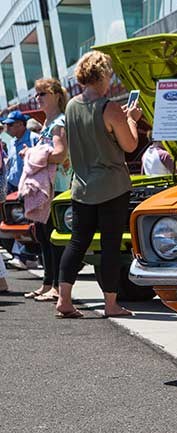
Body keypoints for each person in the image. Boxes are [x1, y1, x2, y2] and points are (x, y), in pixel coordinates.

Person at [55, 50, 142, 319]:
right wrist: (132, 119)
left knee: (77, 242)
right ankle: (111, 304)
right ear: (103, 75)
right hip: (111, 186)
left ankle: (64, 300)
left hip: (81, 185)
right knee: (110, 244)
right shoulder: (110, 107)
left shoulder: (71, 106)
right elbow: (130, 145)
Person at [24, 78, 70, 301]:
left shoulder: (59, 121)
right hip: (48, 188)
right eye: (37, 94)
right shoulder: (48, 122)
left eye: (42, 94)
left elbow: (61, 154)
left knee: (53, 238)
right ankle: (48, 283)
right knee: (43, 236)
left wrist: (33, 155)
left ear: (56, 95)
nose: (38, 98)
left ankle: (57, 287)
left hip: (57, 187)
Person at [1, 110, 40, 270]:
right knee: (16, 223)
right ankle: (25, 255)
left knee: (30, 223)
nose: (7, 128)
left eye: (10, 125)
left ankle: (26, 255)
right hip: (13, 187)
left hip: (29, 187)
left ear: (20, 124)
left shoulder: (34, 139)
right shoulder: (11, 142)